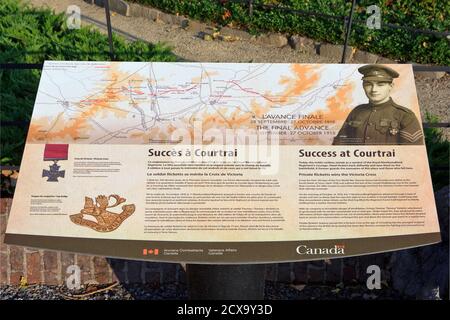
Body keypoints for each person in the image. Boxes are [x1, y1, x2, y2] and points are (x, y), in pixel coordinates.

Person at [332, 64, 424, 145]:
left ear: (391, 86)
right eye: (369, 84)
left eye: (380, 85)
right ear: (363, 86)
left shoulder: (405, 116)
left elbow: (412, 154)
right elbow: (339, 145)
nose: (374, 90)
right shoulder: (356, 112)